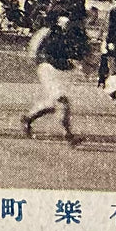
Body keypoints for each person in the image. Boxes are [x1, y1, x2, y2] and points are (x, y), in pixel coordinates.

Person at [22, 12, 89, 145]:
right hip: (47, 68)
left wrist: (80, 66)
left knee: (54, 104)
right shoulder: (47, 32)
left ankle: (28, 118)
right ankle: (68, 135)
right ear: (58, 21)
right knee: (62, 101)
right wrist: (38, 60)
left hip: (60, 71)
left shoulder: (71, 35)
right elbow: (33, 49)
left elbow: (75, 55)